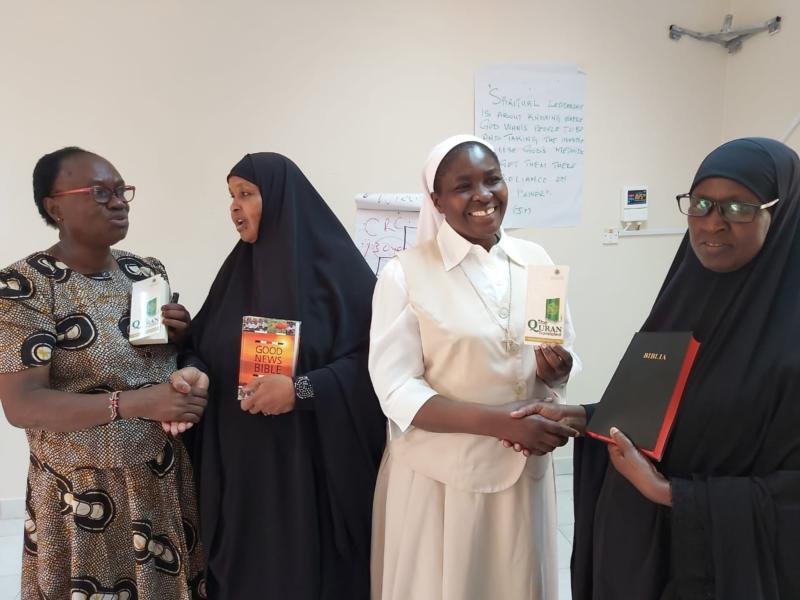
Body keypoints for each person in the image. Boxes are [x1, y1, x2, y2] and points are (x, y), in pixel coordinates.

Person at [517, 137, 800, 598]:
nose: (713, 224)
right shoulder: (686, 295)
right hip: (645, 552)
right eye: (701, 204)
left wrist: (670, 494)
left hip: (726, 568)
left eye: (739, 208)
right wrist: (590, 417)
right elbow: (676, 404)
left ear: (782, 212)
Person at [368, 134, 581, 600]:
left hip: (524, 470)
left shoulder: (537, 262)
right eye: (463, 186)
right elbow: (396, 390)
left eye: (493, 180)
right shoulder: (404, 274)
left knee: (517, 580)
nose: (483, 195)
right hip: (444, 476)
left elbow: (558, 353)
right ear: (437, 201)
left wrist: (556, 370)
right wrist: (500, 423)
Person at [0, 147, 207, 599]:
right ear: (54, 206)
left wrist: (181, 340)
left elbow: (153, 361)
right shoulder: (25, 286)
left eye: (121, 191)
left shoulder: (144, 271)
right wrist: (134, 403)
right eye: (100, 192)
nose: (118, 202)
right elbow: (22, 405)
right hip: (81, 492)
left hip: (159, 472)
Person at [182, 152, 385, 599]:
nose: (234, 207)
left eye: (246, 194)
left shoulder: (340, 275)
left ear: (279, 199)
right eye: (231, 196)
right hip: (240, 469)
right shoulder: (234, 275)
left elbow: (375, 361)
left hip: (310, 470)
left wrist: (301, 390)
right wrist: (194, 369)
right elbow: (202, 345)